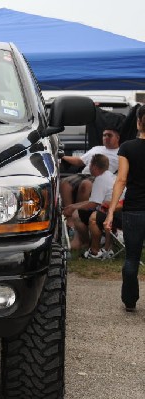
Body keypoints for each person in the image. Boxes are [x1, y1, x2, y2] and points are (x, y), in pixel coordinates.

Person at [104, 106, 145, 313]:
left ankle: (130, 301)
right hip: (136, 211)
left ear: (138, 122)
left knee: (131, 258)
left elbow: (121, 180)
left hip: (134, 211)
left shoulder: (127, 148)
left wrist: (111, 211)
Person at [63, 154, 116, 253]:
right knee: (80, 211)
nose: (89, 167)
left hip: (110, 213)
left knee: (76, 215)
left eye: (90, 164)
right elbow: (94, 202)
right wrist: (73, 206)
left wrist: (72, 208)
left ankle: (88, 244)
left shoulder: (101, 179)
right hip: (116, 211)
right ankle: (90, 243)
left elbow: (92, 204)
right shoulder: (109, 176)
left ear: (94, 166)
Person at [60, 128, 120, 209]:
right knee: (65, 183)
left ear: (117, 138)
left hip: (100, 176)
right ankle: (68, 212)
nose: (106, 137)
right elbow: (79, 161)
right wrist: (61, 156)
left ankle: (78, 214)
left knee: (86, 184)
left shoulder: (120, 152)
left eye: (109, 135)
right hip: (84, 174)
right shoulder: (96, 148)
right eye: (104, 135)